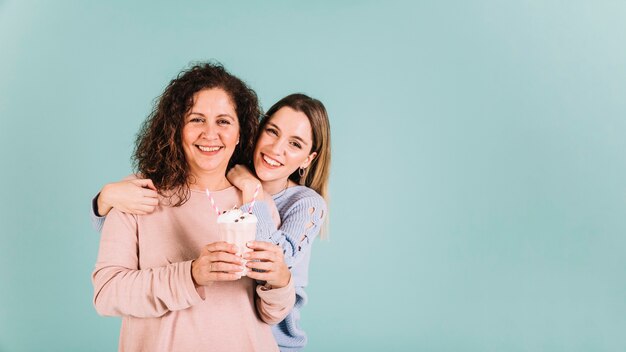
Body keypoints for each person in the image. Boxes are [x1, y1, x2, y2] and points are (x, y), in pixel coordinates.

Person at [93, 93, 331, 351]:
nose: (276, 149)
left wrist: (253, 192)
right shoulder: (138, 192)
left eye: (223, 122)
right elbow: (111, 279)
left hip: (280, 338)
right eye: (272, 132)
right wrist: (104, 200)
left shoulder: (285, 201)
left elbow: (274, 277)